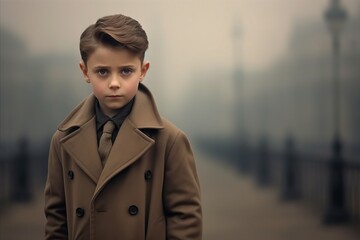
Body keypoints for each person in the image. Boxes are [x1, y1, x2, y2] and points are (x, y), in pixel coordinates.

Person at [44, 14, 202, 240]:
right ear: (85, 71)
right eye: (102, 72)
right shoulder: (62, 140)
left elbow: (185, 217)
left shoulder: (170, 140)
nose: (114, 83)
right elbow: (56, 217)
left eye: (126, 71)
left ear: (143, 71)